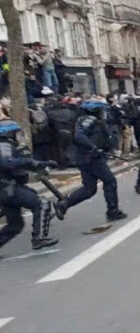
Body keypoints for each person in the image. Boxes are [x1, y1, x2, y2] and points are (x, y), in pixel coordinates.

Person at [53, 98, 127, 222]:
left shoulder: (88, 120)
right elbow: (79, 136)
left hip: (87, 157)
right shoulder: (88, 120)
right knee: (110, 181)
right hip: (91, 157)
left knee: (89, 189)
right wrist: (93, 148)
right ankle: (113, 211)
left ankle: (64, 204)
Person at [0, 120, 58, 250]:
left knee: (15, 225)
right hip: (8, 188)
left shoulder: (8, 145)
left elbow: (21, 163)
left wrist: (42, 163)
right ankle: (39, 238)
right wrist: (32, 162)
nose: (18, 135)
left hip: (8, 188)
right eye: (16, 132)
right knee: (41, 204)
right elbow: (7, 163)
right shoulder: (4, 145)